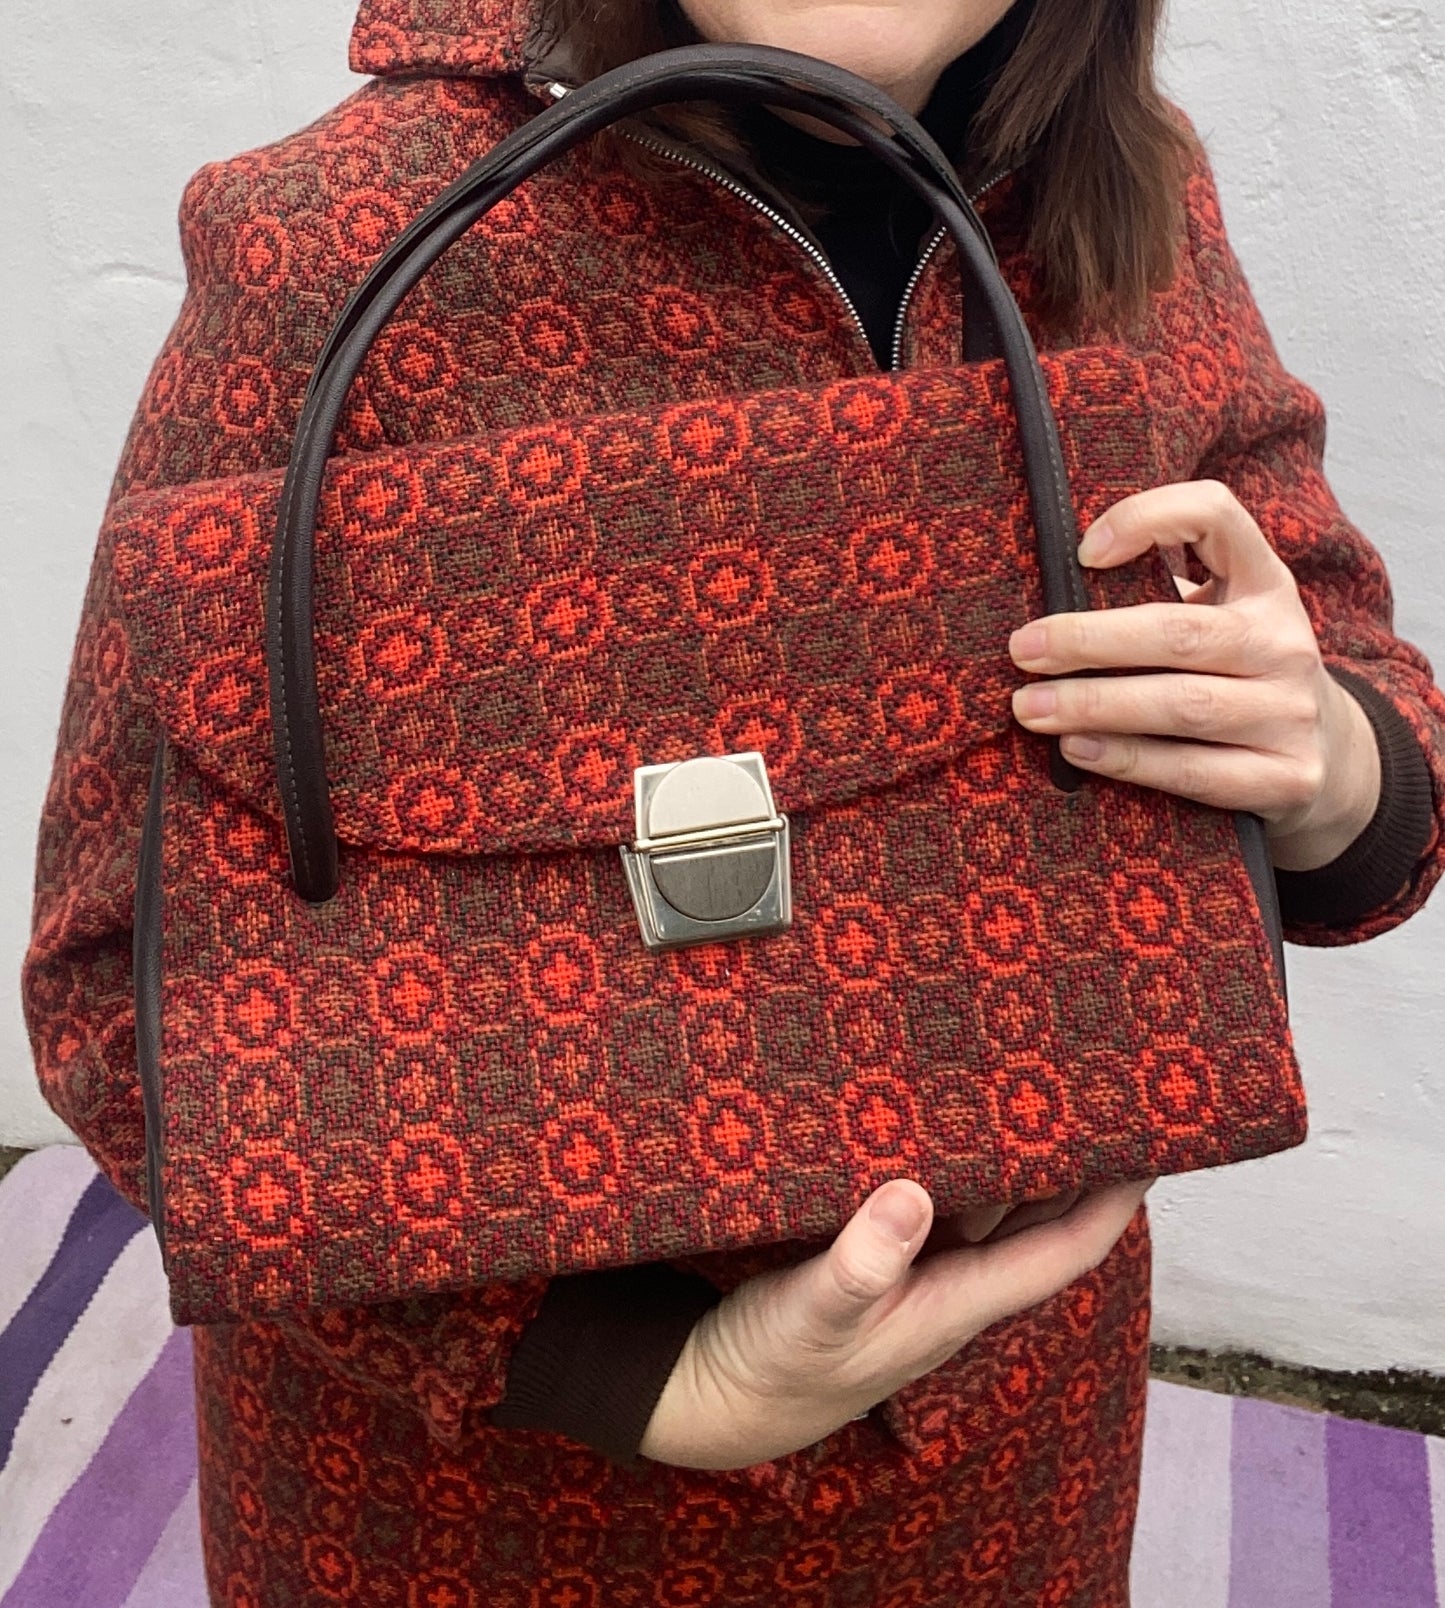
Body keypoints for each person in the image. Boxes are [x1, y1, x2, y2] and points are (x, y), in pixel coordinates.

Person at [21, 0, 1445, 1602]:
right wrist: (630, 1375)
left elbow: (1344, 668)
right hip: (476, 1503)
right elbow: (119, 992)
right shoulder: (339, 236)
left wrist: (1330, 763)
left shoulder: (1121, 187)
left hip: (1005, 1439)